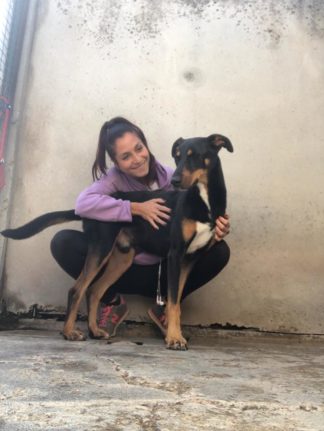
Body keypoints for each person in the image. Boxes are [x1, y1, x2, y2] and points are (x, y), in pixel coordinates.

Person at [50, 117, 230, 338]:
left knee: (220, 251)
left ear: (146, 145)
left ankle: (164, 307)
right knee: (64, 241)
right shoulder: (114, 180)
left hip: (161, 272)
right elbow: (82, 205)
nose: (136, 159)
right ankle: (112, 302)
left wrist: (215, 230)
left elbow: (191, 228)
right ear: (116, 162)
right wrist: (135, 208)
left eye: (139, 148)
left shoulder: (171, 178)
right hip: (125, 266)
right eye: (126, 156)